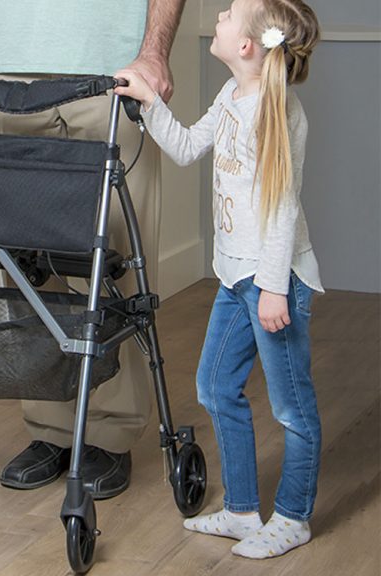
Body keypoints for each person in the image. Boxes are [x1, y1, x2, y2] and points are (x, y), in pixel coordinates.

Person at [0, 0, 186, 501]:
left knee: (113, 262)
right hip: (13, 72)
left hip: (112, 71)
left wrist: (154, 52)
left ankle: (111, 430)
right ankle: (50, 426)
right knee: (25, 263)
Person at [118, 0, 322, 559]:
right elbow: (186, 148)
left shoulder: (278, 111)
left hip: (273, 281)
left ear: (247, 46)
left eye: (230, 13)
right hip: (235, 276)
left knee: (291, 407)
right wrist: (150, 101)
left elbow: (282, 208)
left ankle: (294, 517)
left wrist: (274, 287)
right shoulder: (231, 95)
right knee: (214, 385)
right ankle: (241, 509)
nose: (220, 16)